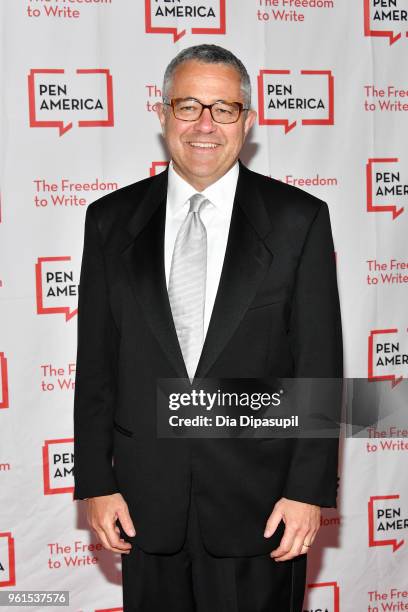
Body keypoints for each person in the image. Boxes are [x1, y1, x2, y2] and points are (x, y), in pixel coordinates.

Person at [73, 44, 343, 612]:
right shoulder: (109, 221)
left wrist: (305, 492)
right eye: (189, 105)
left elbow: (318, 365)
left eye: (223, 109)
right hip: (145, 508)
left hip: (262, 508)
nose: (204, 124)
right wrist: (96, 483)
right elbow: (96, 368)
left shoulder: (300, 220)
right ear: (163, 113)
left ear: (247, 121)